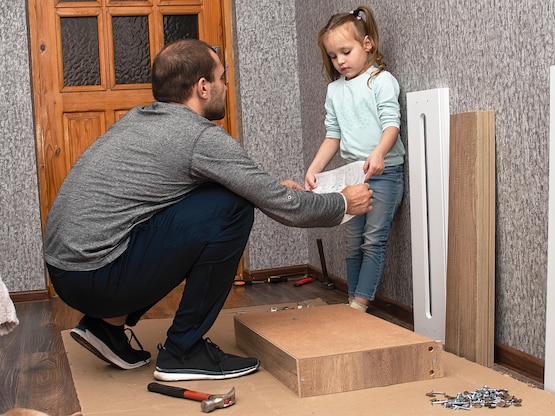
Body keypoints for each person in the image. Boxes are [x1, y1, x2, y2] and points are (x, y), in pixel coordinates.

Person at [44, 39, 373, 382]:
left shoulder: (141, 120)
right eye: (222, 77)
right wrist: (343, 202)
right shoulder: (198, 136)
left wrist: (269, 189)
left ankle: (106, 328)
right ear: (203, 87)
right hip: (95, 275)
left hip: (69, 271)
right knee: (234, 206)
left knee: (225, 195)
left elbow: (186, 198)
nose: (226, 86)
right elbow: (285, 209)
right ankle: (183, 351)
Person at [305, 6, 405, 313]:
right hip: (353, 177)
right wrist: (314, 169)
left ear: (367, 44)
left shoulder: (381, 80)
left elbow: (392, 124)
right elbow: (332, 136)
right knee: (353, 243)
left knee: (373, 240)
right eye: (334, 56)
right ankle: (352, 300)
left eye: (345, 52)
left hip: (385, 173)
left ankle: (359, 305)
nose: (340, 61)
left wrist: (378, 153)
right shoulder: (334, 91)